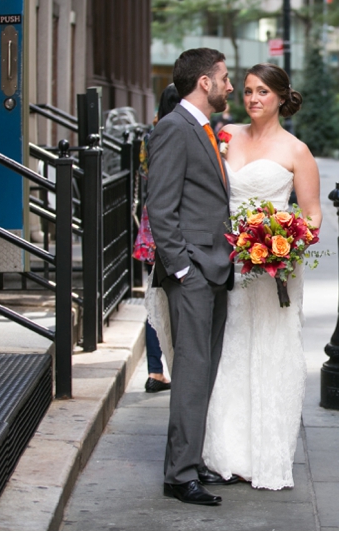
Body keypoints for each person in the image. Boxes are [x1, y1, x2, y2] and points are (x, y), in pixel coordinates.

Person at [200, 62, 322, 490]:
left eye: (263, 92)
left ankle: (266, 455)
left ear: (281, 97)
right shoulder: (227, 134)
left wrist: (280, 242)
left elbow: (312, 216)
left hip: (274, 270)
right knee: (232, 349)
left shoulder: (296, 151)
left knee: (271, 350)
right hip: (229, 259)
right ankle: (226, 453)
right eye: (248, 91)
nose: (253, 99)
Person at [146, 48, 236, 506]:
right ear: (204, 82)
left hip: (214, 269)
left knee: (203, 371)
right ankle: (179, 476)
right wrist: (183, 268)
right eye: (224, 78)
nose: (230, 86)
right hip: (193, 273)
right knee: (191, 372)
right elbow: (160, 207)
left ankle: (190, 461)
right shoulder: (173, 129)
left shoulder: (202, 128)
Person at [132, 83, 181, 393]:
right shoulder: (180, 134)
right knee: (168, 298)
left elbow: (144, 173)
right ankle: (173, 366)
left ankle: (155, 370)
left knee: (154, 296)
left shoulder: (149, 138)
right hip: (170, 223)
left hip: (151, 222)